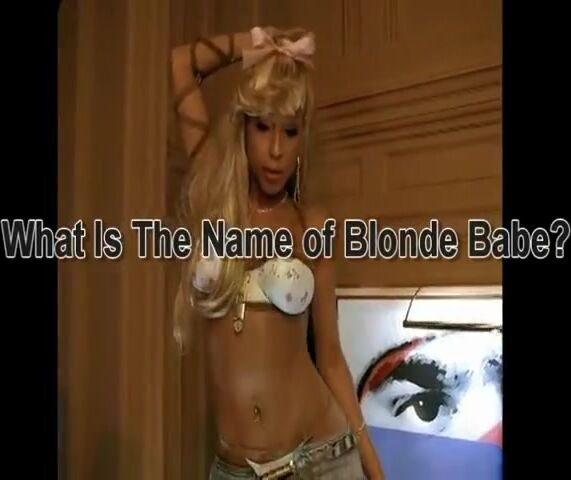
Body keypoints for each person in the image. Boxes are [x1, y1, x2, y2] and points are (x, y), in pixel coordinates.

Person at [170, 25, 385, 479]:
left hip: (321, 460)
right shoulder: (214, 196)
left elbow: (330, 357)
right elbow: (180, 64)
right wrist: (253, 45)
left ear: (302, 138)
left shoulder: (313, 225)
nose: (274, 150)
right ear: (243, 127)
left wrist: (373, 465)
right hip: (234, 471)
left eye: (289, 131)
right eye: (263, 126)